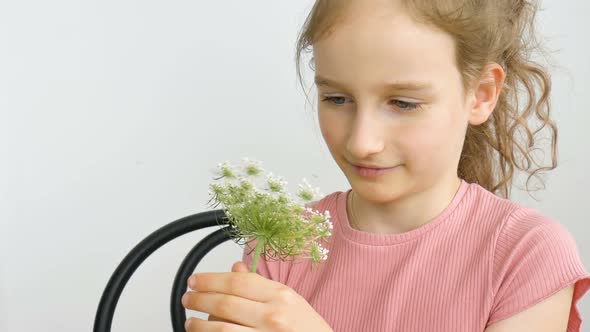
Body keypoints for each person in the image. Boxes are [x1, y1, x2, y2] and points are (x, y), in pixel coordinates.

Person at [182, 0, 590, 331]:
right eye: (337, 99)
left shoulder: (526, 256)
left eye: (403, 103)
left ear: (481, 95)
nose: (362, 142)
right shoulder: (282, 243)